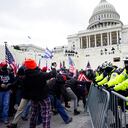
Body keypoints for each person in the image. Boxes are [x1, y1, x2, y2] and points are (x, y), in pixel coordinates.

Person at [7, 59, 56, 128]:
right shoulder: (41, 74)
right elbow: (52, 74)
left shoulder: (25, 77)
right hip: (43, 98)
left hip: (33, 98)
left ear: (26, 67)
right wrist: (53, 68)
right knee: (46, 116)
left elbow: (22, 86)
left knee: (33, 115)